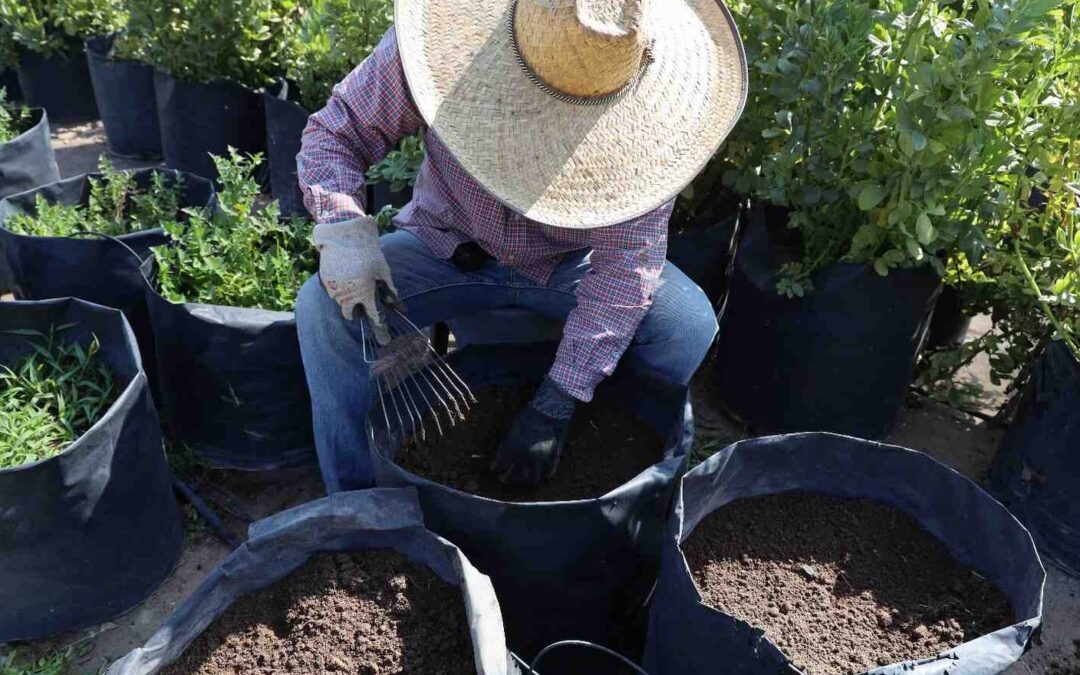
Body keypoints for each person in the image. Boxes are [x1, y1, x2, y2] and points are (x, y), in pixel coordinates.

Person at [296, 0, 747, 492]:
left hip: (566, 265)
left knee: (684, 325)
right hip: (447, 246)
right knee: (323, 308)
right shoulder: (437, 48)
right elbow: (336, 133)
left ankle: (606, 441)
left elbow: (624, 272)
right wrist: (344, 231)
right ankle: (357, 499)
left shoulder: (652, 128)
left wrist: (556, 403)